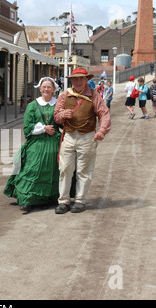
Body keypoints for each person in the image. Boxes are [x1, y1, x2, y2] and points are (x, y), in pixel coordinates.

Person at [53, 68, 111, 214]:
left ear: (86, 80)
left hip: (87, 137)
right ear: (71, 80)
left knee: (84, 170)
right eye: (75, 79)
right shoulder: (64, 95)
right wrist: (63, 114)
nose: (78, 81)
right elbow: (56, 116)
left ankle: (80, 200)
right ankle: (64, 201)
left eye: (81, 78)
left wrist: (102, 131)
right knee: (65, 169)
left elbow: (104, 113)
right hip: (69, 136)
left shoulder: (94, 95)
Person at [4, 77, 62, 214]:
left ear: (54, 89)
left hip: (54, 142)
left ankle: (48, 199)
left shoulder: (58, 104)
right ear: (40, 89)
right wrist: (43, 129)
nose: (46, 89)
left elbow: (61, 123)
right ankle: (28, 200)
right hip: (37, 142)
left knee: (53, 171)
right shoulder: (32, 105)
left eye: (49, 87)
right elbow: (27, 127)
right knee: (32, 169)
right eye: (44, 87)